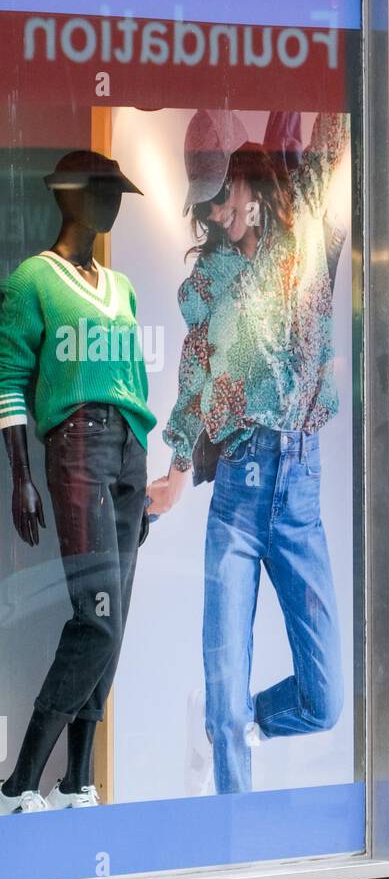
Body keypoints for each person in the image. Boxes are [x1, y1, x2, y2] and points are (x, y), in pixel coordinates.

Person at [146, 109, 350, 794]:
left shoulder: (312, 237)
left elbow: (334, 133)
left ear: (253, 178)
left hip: (299, 490)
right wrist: (175, 471)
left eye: (223, 196)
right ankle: (236, 829)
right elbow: (194, 380)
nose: (217, 214)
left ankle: (227, 720)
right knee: (227, 698)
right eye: (206, 205)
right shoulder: (209, 283)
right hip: (237, 491)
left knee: (324, 703)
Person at [0, 151, 152, 813]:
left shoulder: (120, 289)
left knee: (115, 625)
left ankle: (77, 780)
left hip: (127, 450)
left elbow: (136, 381)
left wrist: (143, 460)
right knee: (97, 618)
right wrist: (20, 477)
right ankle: (20, 781)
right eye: (105, 192)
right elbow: (7, 378)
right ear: (74, 198)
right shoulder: (32, 279)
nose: (115, 204)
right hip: (76, 448)